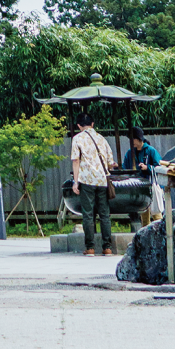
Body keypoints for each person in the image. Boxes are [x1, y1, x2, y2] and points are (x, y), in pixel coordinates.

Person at [71, 107, 117, 257]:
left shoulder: (77, 138)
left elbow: (76, 161)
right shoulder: (101, 138)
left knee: (88, 214)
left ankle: (90, 248)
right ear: (92, 123)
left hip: (86, 180)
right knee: (104, 214)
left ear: (78, 125)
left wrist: (75, 182)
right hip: (102, 181)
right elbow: (111, 162)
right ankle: (107, 247)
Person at [128, 125, 164, 220]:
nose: (131, 142)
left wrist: (147, 168)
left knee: (156, 214)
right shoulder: (130, 152)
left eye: (133, 139)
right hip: (138, 187)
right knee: (144, 214)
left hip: (151, 186)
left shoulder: (151, 151)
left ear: (139, 138)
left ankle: (162, 233)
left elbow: (159, 168)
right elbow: (125, 166)